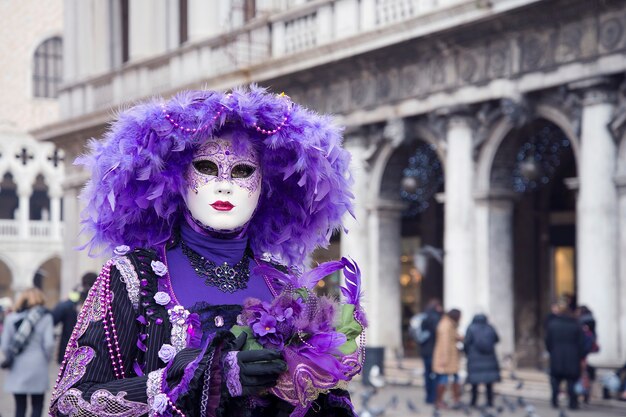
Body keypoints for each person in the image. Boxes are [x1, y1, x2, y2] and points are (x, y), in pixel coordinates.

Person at [48, 86, 364, 417]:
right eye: (207, 168)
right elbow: (71, 402)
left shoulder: (283, 284)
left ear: (265, 187)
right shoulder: (133, 276)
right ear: (177, 178)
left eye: (242, 171)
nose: (224, 184)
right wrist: (206, 377)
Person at [1, 287, 54, 417]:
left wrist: (10, 356)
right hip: (38, 364)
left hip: (18, 365)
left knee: (20, 406)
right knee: (37, 405)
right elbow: (49, 344)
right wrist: (46, 359)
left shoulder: (11, 318)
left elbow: (5, 346)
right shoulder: (46, 318)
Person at [545, 301, 586, 410]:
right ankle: (573, 403)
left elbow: (548, 342)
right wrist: (580, 355)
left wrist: (552, 351)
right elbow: (581, 343)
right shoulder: (576, 324)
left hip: (556, 356)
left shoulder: (552, 324)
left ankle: (554, 401)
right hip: (573, 357)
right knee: (571, 381)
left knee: (555, 380)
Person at [51, 272, 98, 364]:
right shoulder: (100, 301)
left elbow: (54, 318)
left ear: (83, 283)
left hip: (70, 349)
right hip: (92, 352)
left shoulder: (73, 300)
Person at [464, 314, 500, 408]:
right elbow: (497, 339)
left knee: (474, 383)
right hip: (489, 359)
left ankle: (473, 402)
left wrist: (468, 353)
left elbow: (466, 343)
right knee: (489, 383)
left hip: (475, 359)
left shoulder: (471, 328)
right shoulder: (490, 328)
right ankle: (489, 402)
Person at [432, 308, 462, 409]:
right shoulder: (446, 325)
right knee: (443, 379)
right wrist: (444, 359)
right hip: (447, 358)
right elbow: (444, 344)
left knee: (454, 378)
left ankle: (455, 399)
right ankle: (440, 401)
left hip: (451, 357)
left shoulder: (449, 324)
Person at [414, 299, 442, 404]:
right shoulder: (436, 318)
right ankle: (433, 397)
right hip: (433, 351)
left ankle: (428, 397)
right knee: (434, 375)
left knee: (427, 374)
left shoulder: (424, 318)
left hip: (425, 351)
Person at [576, 305, 598, 404]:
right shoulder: (592, 322)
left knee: (581, 373)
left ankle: (581, 393)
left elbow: (580, 339)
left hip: (580, 352)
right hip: (587, 351)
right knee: (585, 373)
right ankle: (586, 394)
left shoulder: (581, 323)